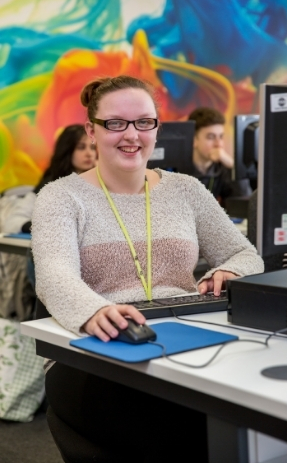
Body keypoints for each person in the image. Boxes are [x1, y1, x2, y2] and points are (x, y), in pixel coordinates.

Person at [31, 75, 263, 462]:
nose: (132, 135)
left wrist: (229, 272)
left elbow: (244, 254)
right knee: (183, 426)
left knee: (246, 410)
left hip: (186, 336)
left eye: (144, 122)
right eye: (115, 123)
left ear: (156, 126)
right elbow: (55, 274)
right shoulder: (61, 196)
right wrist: (93, 311)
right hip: (100, 347)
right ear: (91, 129)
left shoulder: (185, 189)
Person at [187, 106, 239, 203]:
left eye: (221, 137)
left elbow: (243, 201)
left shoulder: (222, 167)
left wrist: (234, 167)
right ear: (194, 139)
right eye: (211, 137)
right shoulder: (176, 169)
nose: (218, 144)